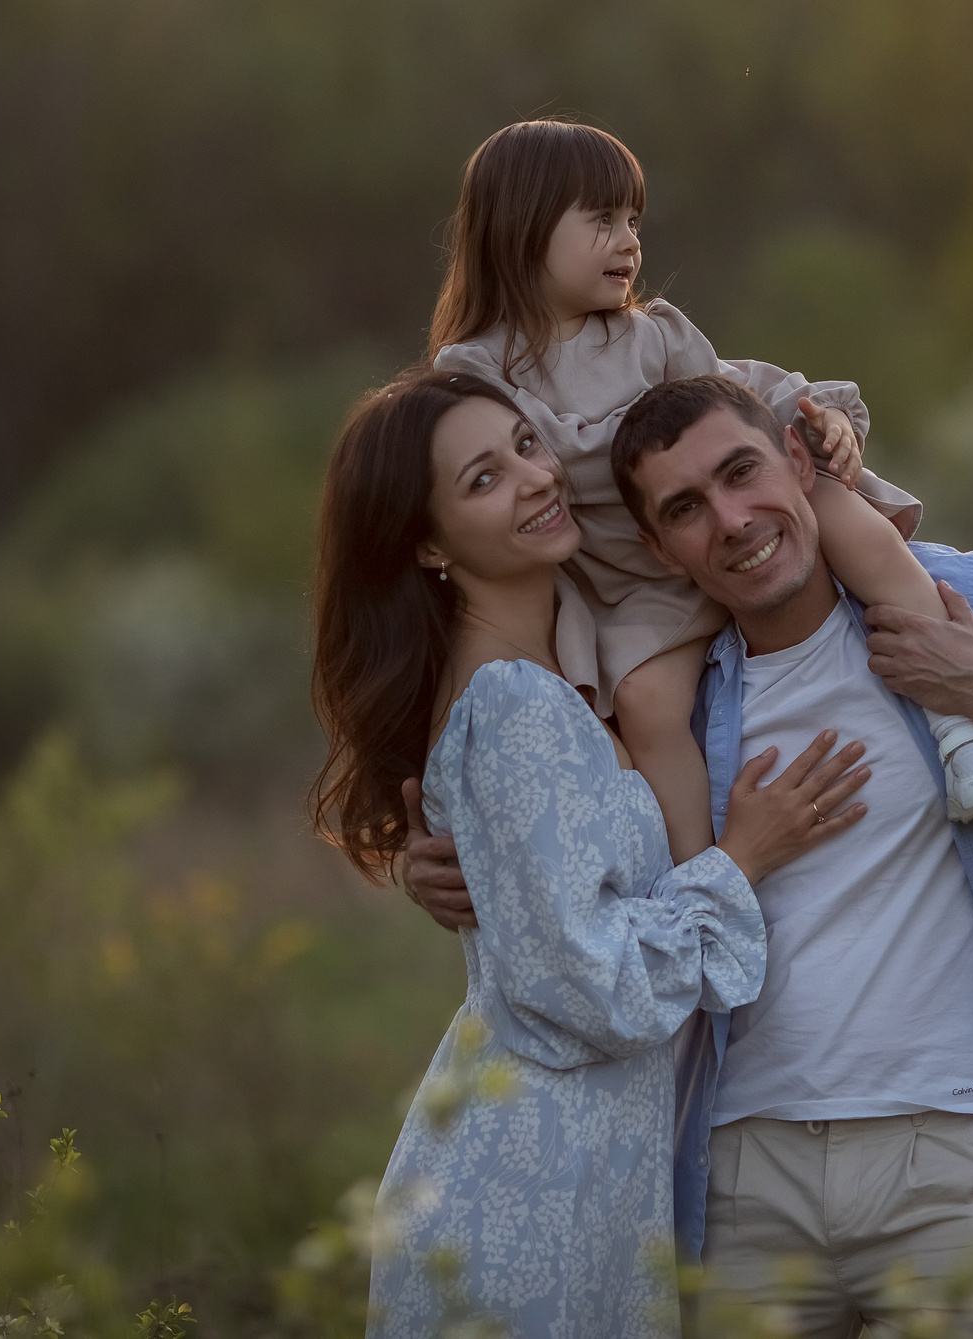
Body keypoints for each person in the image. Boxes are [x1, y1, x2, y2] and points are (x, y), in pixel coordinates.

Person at [406, 375, 973, 1337]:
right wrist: (437, 871)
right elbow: (571, 894)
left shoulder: (959, 599)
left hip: (956, 1152)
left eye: (742, 471)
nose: (731, 519)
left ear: (799, 464)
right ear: (657, 549)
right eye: (686, 508)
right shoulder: (667, 711)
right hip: (737, 1178)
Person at [309, 368, 878, 1339]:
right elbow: (588, 983)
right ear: (430, 544)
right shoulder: (515, 708)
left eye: (528, 448)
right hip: (531, 1180)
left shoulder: (555, 688)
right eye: (484, 479)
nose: (535, 479)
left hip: (589, 1173)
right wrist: (740, 858)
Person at [429, 119, 973, 843]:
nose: (629, 240)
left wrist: (824, 417)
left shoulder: (651, 334)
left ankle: (964, 735)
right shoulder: (478, 370)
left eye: (634, 220)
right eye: (602, 220)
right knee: (648, 702)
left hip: (743, 529)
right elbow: (519, 467)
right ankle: (702, 879)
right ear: (521, 229)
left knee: (851, 520)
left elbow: (731, 403)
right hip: (639, 587)